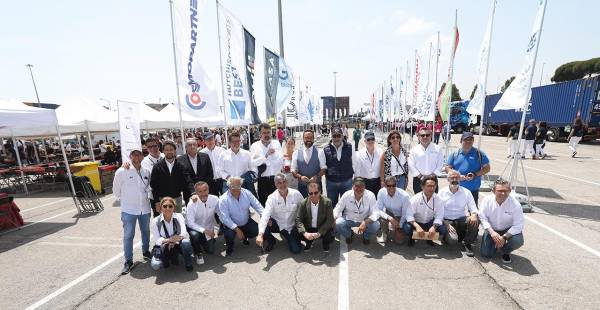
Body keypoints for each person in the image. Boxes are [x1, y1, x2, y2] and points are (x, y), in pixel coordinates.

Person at [112, 148, 152, 275]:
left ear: (142, 157)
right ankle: (128, 261)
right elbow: (116, 191)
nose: (137, 157)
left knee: (146, 231)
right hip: (129, 210)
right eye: (134, 155)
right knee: (128, 235)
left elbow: (149, 187)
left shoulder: (146, 171)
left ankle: (146, 251)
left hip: (144, 208)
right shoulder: (122, 171)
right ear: (130, 157)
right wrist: (127, 200)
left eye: (139, 154)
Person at [478, 179, 524, 264]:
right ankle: (494, 244)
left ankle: (504, 251)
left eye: (505, 191)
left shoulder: (515, 204)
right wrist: (492, 232)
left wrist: (504, 237)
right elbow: (482, 217)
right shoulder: (487, 201)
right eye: (500, 191)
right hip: (492, 229)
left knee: (518, 241)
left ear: (510, 191)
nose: (503, 193)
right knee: (486, 254)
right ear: (493, 191)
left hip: (507, 230)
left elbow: (518, 225)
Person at [256, 174, 304, 253]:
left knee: (296, 250)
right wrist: (260, 235)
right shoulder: (272, 198)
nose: (282, 184)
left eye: (284, 181)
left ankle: (291, 237)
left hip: (291, 226)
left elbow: (304, 208)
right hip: (277, 225)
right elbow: (265, 215)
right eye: (279, 183)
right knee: (265, 221)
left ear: (287, 182)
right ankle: (271, 241)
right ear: (275, 184)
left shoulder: (296, 194)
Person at [218, 177, 264, 256]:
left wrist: (264, 215)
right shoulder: (223, 199)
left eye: (238, 186)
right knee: (229, 235)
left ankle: (244, 236)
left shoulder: (247, 193)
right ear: (229, 186)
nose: (236, 189)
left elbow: (257, 205)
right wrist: (237, 229)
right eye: (233, 187)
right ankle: (230, 246)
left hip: (246, 221)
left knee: (256, 230)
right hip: (231, 224)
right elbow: (225, 218)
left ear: (241, 185)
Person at [438, 170, 479, 256]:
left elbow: (473, 208)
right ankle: (449, 236)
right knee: (452, 241)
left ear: (460, 179)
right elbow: (437, 211)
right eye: (452, 177)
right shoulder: (441, 192)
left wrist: (474, 215)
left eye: (457, 177)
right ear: (448, 179)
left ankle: (467, 243)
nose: (454, 179)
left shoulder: (466, 192)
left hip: (461, 219)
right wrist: (446, 224)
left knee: (476, 220)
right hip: (447, 221)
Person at [445, 132, 491, 205]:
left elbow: (487, 168)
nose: (468, 141)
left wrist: (475, 174)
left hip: (473, 189)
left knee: (473, 211)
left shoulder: (479, 153)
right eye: (466, 139)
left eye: (471, 139)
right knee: (456, 210)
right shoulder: (454, 154)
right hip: (456, 188)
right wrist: (457, 175)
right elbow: (447, 168)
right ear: (461, 141)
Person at [150, 197, 194, 272]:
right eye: (164, 206)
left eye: (170, 206)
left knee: (186, 242)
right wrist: (170, 240)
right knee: (155, 265)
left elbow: (183, 233)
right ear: (161, 208)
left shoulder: (179, 216)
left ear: (174, 207)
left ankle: (188, 263)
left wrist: (174, 242)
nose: (167, 208)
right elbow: (157, 240)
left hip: (177, 243)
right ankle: (166, 260)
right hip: (164, 245)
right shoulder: (155, 221)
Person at [402, 175, 447, 247]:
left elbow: (439, 216)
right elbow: (409, 215)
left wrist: (434, 227)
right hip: (417, 222)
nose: (432, 188)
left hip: (429, 222)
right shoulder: (415, 198)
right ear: (422, 187)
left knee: (443, 229)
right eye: (429, 186)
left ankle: (429, 238)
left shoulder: (438, 199)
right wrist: (417, 226)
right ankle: (412, 237)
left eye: (434, 186)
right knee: (406, 228)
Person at [334, 177, 380, 245]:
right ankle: (349, 234)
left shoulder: (370, 195)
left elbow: (376, 213)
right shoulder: (347, 194)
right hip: (349, 219)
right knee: (337, 223)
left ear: (365, 186)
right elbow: (338, 208)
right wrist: (333, 218)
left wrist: (365, 222)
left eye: (361, 186)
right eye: (357, 186)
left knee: (376, 225)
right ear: (353, 186)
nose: (359, 189)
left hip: (364, 220)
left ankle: (366, 236)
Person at [150, 140, 189, 214]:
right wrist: (157, 201)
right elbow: (154, 186)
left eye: (171, 149)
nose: (169, 152)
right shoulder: (157, 166)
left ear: (175, 151)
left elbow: (187, 180)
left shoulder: (181, 165)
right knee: (165, 222)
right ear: (163, 151)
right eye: (167, 150)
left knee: (177, 221)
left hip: (177, 199)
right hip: (163, 200)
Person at [293, 181, 335, 252]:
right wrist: (305, 233)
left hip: (321, 227)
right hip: (309, 228)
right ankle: (308, 241)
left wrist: (319, 233)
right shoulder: (303, 203)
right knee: (295, 231)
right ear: (308, 193)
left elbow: (330, 220)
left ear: (320, 192)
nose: (313, 195)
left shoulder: (327, 202)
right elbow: (298, 219)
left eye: (316, 192)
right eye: (310, 193)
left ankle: (325, 243)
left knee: (330, 236)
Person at [251, 123, 284, 206]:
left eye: (268, 132)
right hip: (263, 181)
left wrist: (264, 161)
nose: (267, 135)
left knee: (278, 205)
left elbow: (280, 160)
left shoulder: (276, 143)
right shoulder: (255, 146)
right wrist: (266, 156)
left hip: (276, 180)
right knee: (264, 205)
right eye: (264, 133)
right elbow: (253, 163)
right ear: (260, 134)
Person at [186, 181, 219, 265]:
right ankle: (198, 253)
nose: (203, 193)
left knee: (210, 250)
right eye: (200, 191)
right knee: (194, 235)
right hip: (195, 228)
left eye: (205, 190)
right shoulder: (192, 203)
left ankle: (202, 240)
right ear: (196, 193)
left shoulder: (215, 199)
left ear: (208, 190)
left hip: (209, 228)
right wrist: (205, 231)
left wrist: (217, 229)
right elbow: (190, 223)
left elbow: (220, 213)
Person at [324, 127, 355, 208]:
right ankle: (333, 220)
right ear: (331, 137)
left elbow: (355, 163)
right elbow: (323, 165)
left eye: (338, 135)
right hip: (331, 182)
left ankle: (345, 221)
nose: (336, 138)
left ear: (342, 136)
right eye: (334, 136)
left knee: (347, 206)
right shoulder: (326, 148)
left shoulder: (350, 147)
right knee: (332, 206)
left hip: (346, 181)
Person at [219, 130, 256, 196]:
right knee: (228, 204)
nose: (236, 143)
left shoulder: (247, 154)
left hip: (244, 184)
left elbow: (252, 168)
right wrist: (229, 178)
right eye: (234, 141)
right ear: (229, 143)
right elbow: (219, 169)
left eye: (238, 141)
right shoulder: (223, 155)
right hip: (229, 184)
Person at [408, 128, 444, 194]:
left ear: (431, 136)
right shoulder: (413, 150)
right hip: (418, 180)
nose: (425, 137)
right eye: (422, 135)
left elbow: (440, 163)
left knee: (433, 201)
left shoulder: (438, 148)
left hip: (433, 179)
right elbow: (411, 165)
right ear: (418, 137)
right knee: (419, 201)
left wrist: (432, 175)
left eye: (427, 135)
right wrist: (421, 176)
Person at [291, 129, 327, 197]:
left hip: (316, 187)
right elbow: (293, 170)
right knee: (303, 206)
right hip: (302, 187)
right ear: (303, 138)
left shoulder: (320, 152)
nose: (309, 139)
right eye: (307, 137)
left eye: (311, 138)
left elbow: (324, 169)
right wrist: (300, 177)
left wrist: (317, 176)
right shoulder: (296, 153)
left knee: (317, 206)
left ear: (313, 139)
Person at [178, 138, 214, 204]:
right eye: (189, 145)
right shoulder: (180, 160)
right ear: (185, 147)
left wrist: (203, 189)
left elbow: (210, 174)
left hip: (205, 192)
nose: (192, 146)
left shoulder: (205, 157)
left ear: (197, 146)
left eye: (194, 144)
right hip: (189, 193)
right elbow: (183, 177)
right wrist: (193, 191)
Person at [376, 176, 410, 244]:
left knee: (399, 242)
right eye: (389, 186)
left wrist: (399, 226)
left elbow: (405, 213)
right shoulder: (381, 192)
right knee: (380, 217)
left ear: (396, 185)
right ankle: (384, 234)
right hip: (389, 212)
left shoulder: (404, 196)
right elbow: (378, 209)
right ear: (385, 186)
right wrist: (390, 218)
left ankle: (403, 232)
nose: (391, 187)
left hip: (401, 215)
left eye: (393, 185)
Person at [200, 131, 226, 196]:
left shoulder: (222, 150)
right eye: (207, 140)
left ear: (214, 139)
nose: (210, 141)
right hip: (210, 182)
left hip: (222, 180)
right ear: (204, 141)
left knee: (226, 201)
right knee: (213, 202)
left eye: (211, 139)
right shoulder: (201, 153)